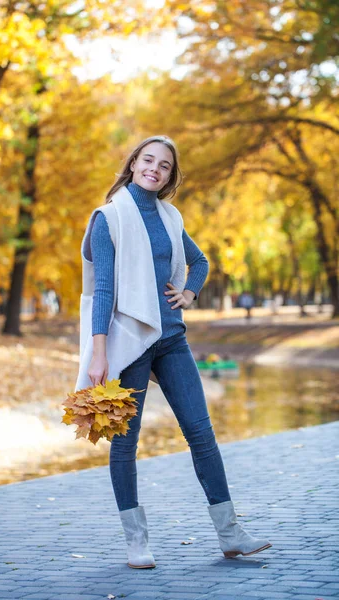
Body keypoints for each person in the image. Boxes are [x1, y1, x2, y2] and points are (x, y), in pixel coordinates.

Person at [77, 135, 272, 569]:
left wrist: (189, 293)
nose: (155, 169)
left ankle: (230, 533)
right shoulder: (108, 218)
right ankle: (136, 541)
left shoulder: (169, 216)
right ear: (132, 164)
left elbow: (199, 262)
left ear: (169, 176)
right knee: (125, 444)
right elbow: (104, 289)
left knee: (201, 434)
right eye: (148, 160)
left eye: (164, 166)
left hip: (171, 339)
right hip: (130, 341)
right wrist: (99, 353)